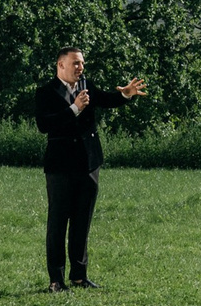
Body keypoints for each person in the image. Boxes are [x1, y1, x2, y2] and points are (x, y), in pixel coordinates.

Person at [34, 46, 149, 292]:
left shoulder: (87, 85)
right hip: (60, 167)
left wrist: (126, 94)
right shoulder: (45, 92)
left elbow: (108, 99)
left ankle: (79, 276)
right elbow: (44, 125)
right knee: (57, 224)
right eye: (75, 63)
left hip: (88, 165)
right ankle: (56, 280)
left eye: (82, 63)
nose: (80, 68)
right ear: (60, 65)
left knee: (81, 222)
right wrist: (74, 108)